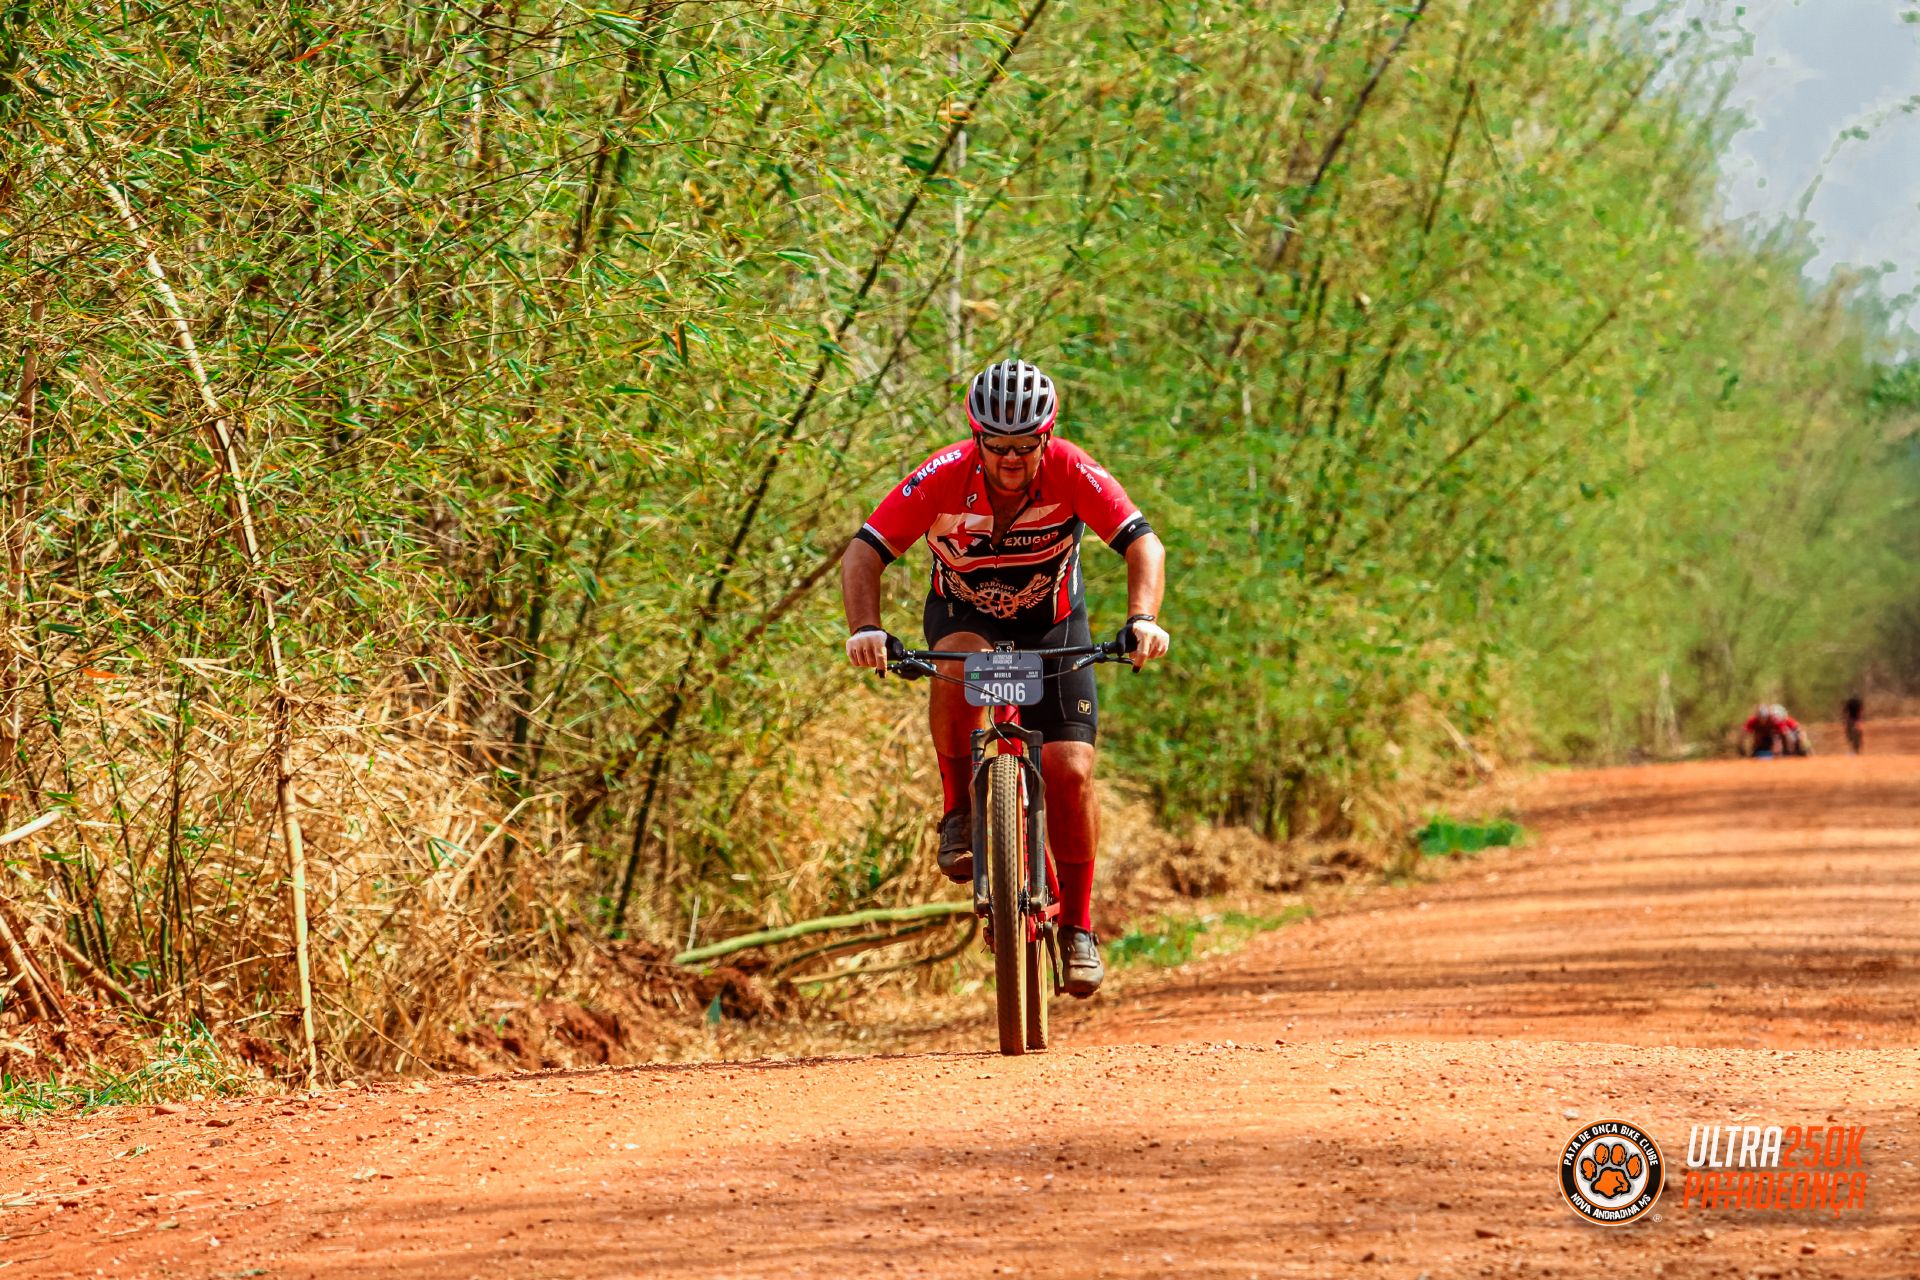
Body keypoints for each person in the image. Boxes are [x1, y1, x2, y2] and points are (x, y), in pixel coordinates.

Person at [839, 359, 1169, 999]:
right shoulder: (942, 475)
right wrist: (865, 628)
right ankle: (959, 812)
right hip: (964, 617)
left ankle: (1077, 927)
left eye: (1025, 446)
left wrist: (1142, 619)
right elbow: (864, 552)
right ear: (977, 437)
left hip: (1054, 624)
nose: (1011, 460)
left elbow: (1143, 543)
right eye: (997, 446)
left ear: (1048, 437)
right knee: (956, 662)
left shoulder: (1071, 469)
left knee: (1070, 771)